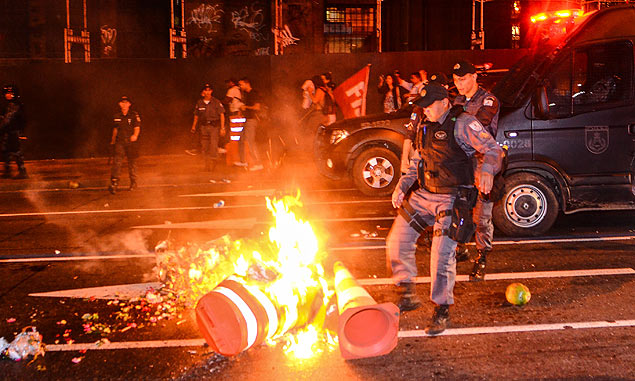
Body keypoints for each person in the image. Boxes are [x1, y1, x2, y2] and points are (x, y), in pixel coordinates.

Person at [386, 83, 503, 334]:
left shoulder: (463, 123)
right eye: (422, 106)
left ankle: (441, 309)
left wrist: (487, 170)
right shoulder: (425, 125)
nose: (424, 110)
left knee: (441, 256)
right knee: (397, 240)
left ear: (444, 103)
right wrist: (401, 186)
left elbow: (493, 149)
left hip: (451, 197)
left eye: (428, 106)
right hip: (423, 194)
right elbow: (418, 160)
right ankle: (407, 293)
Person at [452, 60, 501, 281]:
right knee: (459, 209)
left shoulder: (488, 100)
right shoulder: (457, 100)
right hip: (463, 163)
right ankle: (460, 247)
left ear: (474, 77)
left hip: (483, 162)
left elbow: (479, 124)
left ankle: (482, 257)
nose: (459, 84)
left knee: (482, 215)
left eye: (462, 79)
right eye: (455, 80)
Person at [109, 96, 141, 194]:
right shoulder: (117, 116)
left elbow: (137, 127)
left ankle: (133, 182)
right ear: (119, 104)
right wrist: (112, 141)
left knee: (132, 163)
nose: (124, 104)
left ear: (129, 104)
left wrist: (135, 135)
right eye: (122, 103)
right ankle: (114, 183)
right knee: (117, 162)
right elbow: (115, 129)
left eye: (126, 103)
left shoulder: (133, 115)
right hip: (120, 142)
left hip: (131, 142)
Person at [191, 83, 225, 172]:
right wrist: (193, 126)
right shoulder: (200, 102)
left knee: (213, 145)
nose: (207, 92)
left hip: (214, 127)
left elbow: (222, 115)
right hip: (204, 127)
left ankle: (213, 162)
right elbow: (196, 115)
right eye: (205, 90)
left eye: (209, 90)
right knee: (205, 146)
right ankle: (207, 164)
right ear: (203, 92)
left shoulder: (216, 102)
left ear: (211, 91)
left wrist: (222, 128)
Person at [0, 84, 27, 179]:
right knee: (6, 151)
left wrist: (1, 127)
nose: (8, 95)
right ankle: (7, 171)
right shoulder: (9, 105)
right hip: (9, 131)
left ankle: (22, 171)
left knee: (16, 151)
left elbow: (8, 119)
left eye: (10, 93)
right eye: (7, 93)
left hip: (13, 131)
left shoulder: (15, 105)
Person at [236, 78, 264, 171]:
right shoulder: (247, 95)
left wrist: (245, 107)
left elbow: (257, 107)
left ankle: (258, 163)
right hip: (247, 120)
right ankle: (243, 161)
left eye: (241, 84)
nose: (240, 87)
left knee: (251, 142)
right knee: (241, 140)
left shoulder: (254, 93)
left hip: (252, 121)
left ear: (247, 83)